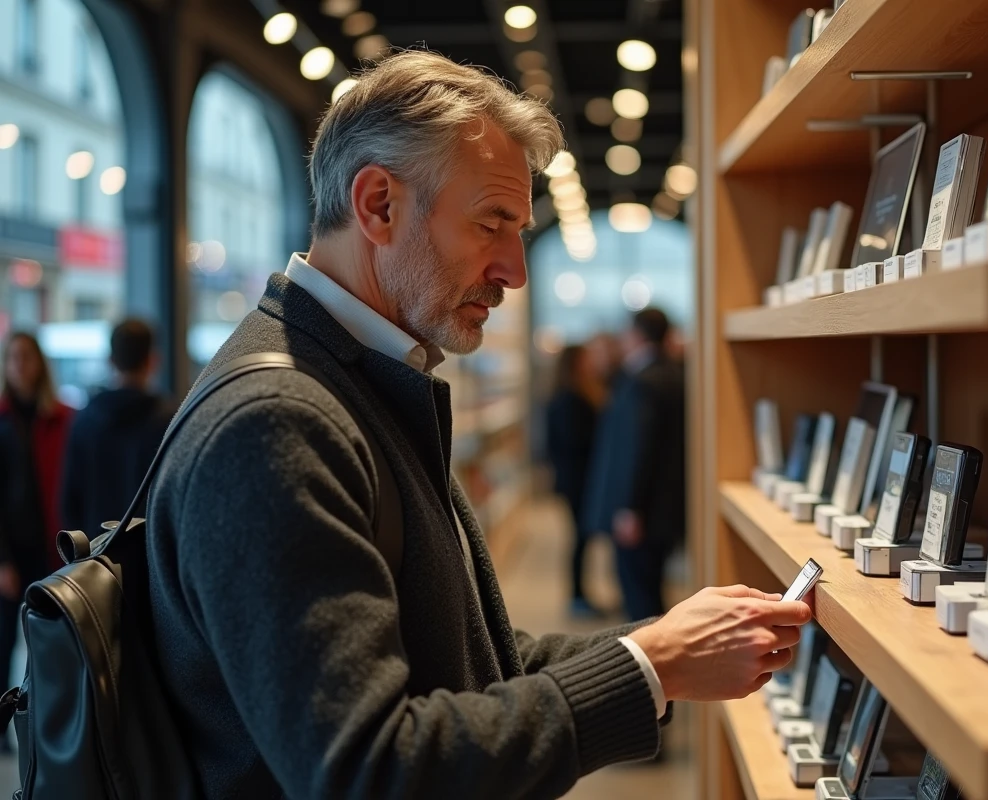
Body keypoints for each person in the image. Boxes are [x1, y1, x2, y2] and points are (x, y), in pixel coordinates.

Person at [146, 50, 810, 799]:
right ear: (379, 206)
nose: (514, 271)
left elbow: (465, 660)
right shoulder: (276, 425)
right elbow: (369, 771)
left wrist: (663, 648)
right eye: (492, 224)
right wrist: (651, 666)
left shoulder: (353, 382)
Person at [584, 308, 687, 622]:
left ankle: (650, 651)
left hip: (642, 512)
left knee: (639, 596)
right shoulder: (673, 373)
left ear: (636, 335)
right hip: (663, 506)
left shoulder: (643, 381)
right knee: (651, 587)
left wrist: (629, 508)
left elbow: (636, 449)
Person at [0, 333, 72, 704]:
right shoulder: (2, 419)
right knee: (3, 643)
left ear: (40, 364)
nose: (20, 365)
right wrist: (2, 562)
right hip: (10, 551)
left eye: (27, 357)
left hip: (51, 548)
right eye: (13, 358)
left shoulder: (62, 418)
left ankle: (45, 719)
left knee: (48, 642)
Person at [60, 319, 174, 535]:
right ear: (153, 360)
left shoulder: (84, 422)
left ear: (110, 361)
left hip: (96, 549)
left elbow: (69, 504)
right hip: (148, 550)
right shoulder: (168, 422)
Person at [545, 344, 602, 617]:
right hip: (577, 480)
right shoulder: (569, 399)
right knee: (579, 538)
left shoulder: (575, 393)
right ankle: (577, 596)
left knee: (582, 537)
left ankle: (581, 594)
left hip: (577, 478)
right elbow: (574, 442)